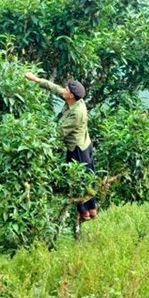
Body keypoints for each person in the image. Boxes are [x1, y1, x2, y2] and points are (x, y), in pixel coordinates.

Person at [25, 72, 97, 220]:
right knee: (89, 177)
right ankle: (92, 208)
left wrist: (36, 138)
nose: (63, 90)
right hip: (85, 143)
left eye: (66, 90)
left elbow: (59, 132)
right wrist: (36, 79)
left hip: (77, 148)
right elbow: (55, 88)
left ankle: (84, 212)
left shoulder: (77, 113)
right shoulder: (74, 100)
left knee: (77, 179)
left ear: (70, 96)